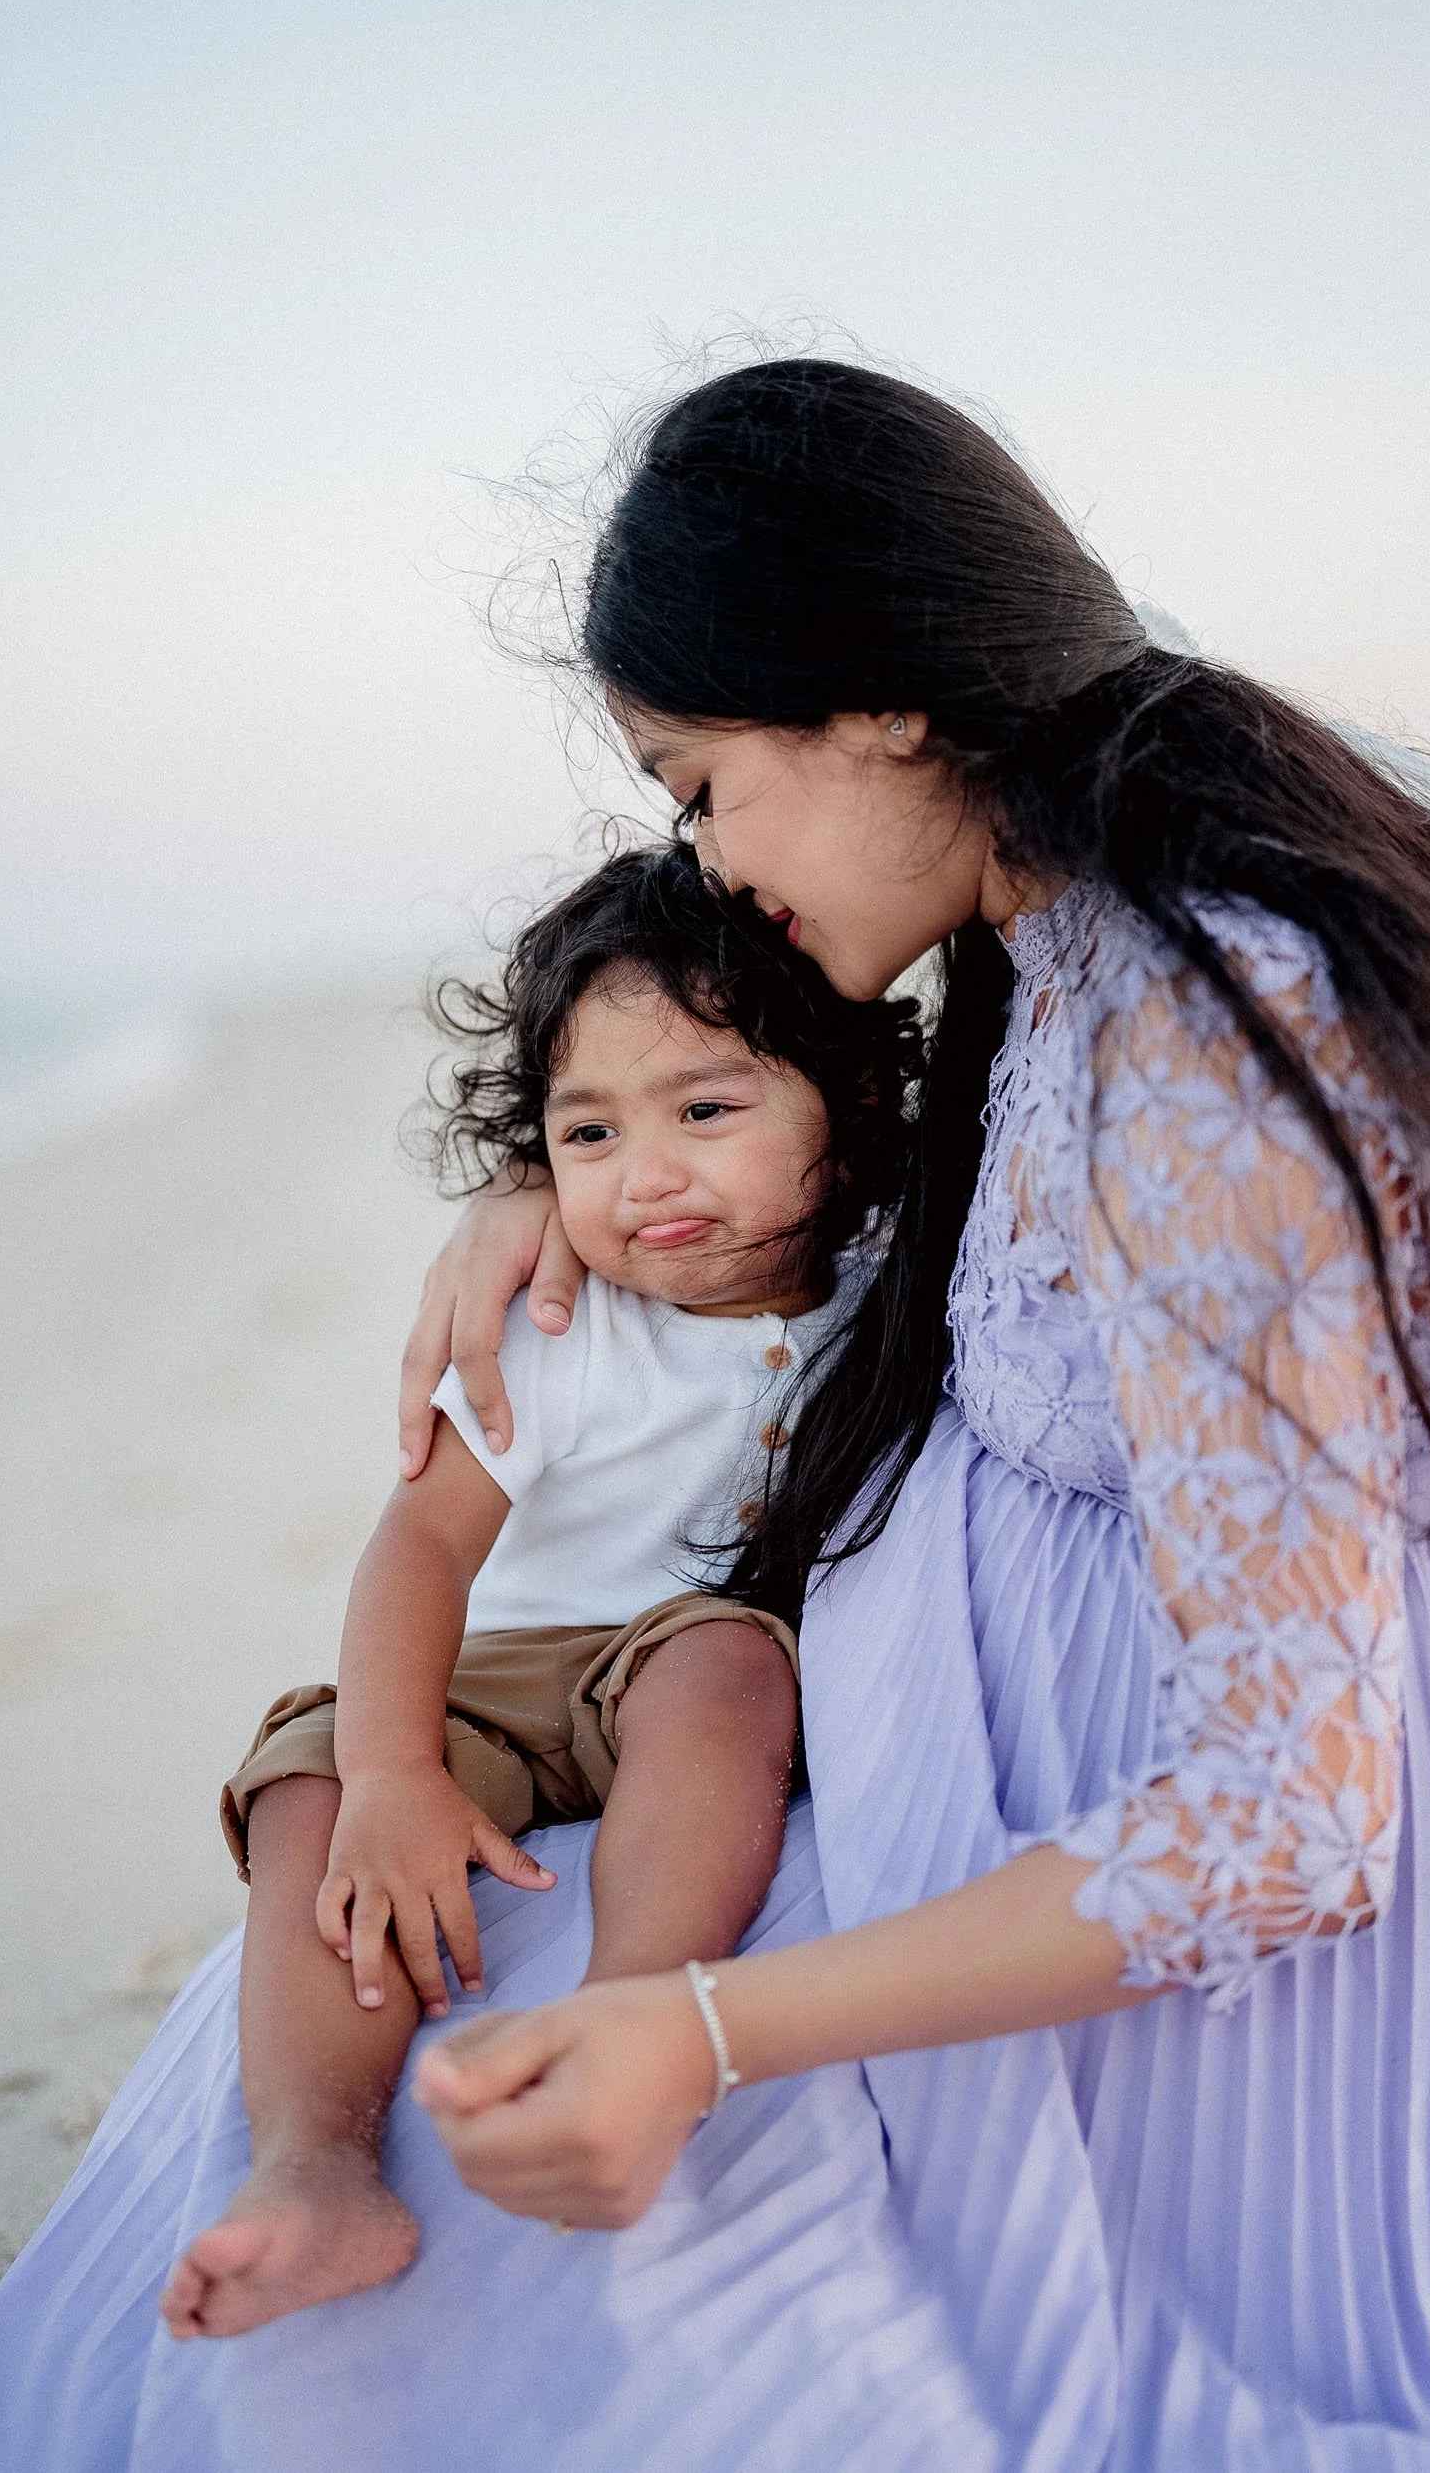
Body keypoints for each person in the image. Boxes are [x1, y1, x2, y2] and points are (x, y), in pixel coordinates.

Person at [0, 358, 1430, 2472]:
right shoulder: (1076, 927)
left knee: (430, 2277)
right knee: (335, 1959)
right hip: (936, 1853)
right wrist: (566, 1183)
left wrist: (700, 2024)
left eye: (698, 779)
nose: (702, 852)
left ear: (881, 699)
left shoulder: (1206, 1022)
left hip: (1234, 2076)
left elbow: (1290, 1817)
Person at [156, 847, 915, 2339]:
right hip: (514, 1674)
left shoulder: (897, 1276)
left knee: (726, 1666)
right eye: (586, 1132)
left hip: (687, 1668)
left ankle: (624, 2016)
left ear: (843, 1100)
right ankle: (316, 2174)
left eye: (706, 1109)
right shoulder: (555, 1322)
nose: (644, 1176)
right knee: (305, 1784)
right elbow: (421, 1547)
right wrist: (387, 1770)